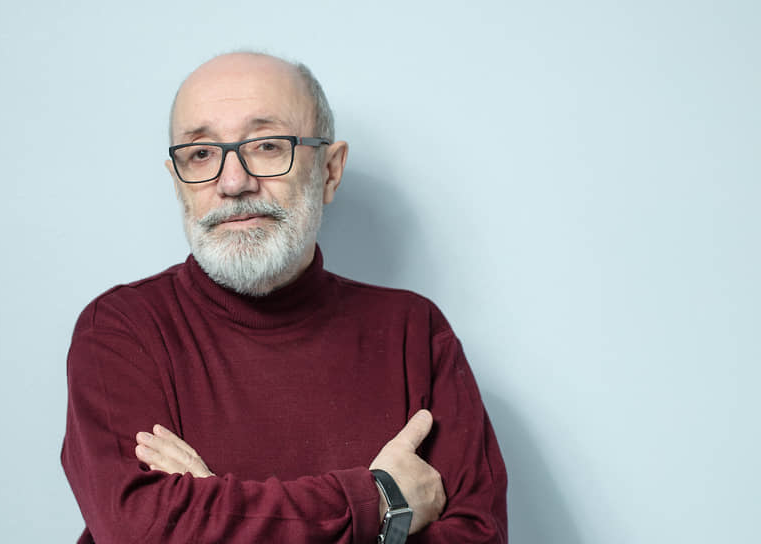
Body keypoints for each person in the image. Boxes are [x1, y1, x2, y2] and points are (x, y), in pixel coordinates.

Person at [61, 52, 507, 544]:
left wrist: (212, 512)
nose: (233, 183)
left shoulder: (413, 332)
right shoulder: (121, 330)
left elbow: (477, 537)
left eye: (268, 146)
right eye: (201, 154)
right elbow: (141, 530)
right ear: (178, 182)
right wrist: (379, 501)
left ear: (330, 171)